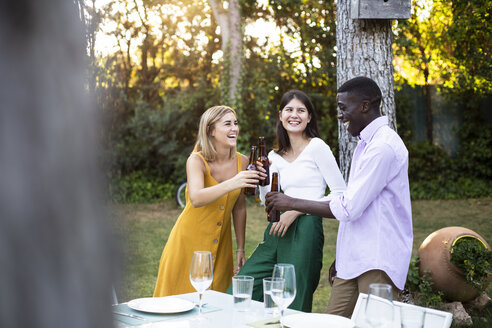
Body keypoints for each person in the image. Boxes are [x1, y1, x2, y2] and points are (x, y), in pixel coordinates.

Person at [265, 77, 413, 317]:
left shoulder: (382, 147)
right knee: (331, 322)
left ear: (365, 106)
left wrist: (291, 203)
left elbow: (348, 208)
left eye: (344, 107)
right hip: (354, 259)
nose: (339, 114)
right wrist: (343, 256)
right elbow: (359, 208)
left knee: (374, 324)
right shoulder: (366, 144)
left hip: (377, 259)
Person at [227, 90, 346, 312]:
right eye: (289, 110)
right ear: (280, 116)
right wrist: (262, 180)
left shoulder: (317, 147)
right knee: (240, 290)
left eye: (301, 110)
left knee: (294, 300)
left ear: (309, 117)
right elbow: (267, 202)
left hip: (306, 227)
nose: (295, 115)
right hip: (276, 230)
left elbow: (340, 194)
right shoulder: (272, 156)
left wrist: (296, 209)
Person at [153, 105, 262, 296]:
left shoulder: (243, 162)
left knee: (216, 306)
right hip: (187, 243)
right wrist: (233, 182)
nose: (234, 128)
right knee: (177, 306)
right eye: (227, 124)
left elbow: (239, 208)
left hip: (221, 247)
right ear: (210, 130)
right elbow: (196, 198)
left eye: (235, 123)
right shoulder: (196, 160)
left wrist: (241, 248)